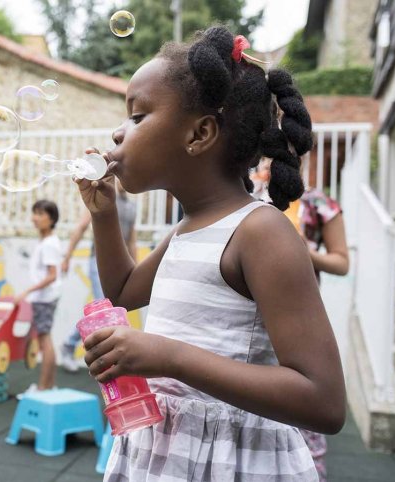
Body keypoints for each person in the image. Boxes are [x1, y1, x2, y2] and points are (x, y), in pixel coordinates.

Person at [74, 27, 345, 481]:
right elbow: (122, 291)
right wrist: (103, 217)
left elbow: (324, 400)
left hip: (233, 462)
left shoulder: (261, 232)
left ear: (199, 134)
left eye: (138, 117)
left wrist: (167, 356)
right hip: (167, 457)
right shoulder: (186, 229)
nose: (119, 132)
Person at [252, 159, 350, 481]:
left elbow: (341, 261)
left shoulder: (317, 201)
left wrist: (301, 252)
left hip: (297, 319)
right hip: (250, 322)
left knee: (305, 413)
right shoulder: (248, 194)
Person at [60, 180, 137, 372]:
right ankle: (70, 346)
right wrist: (67, 255)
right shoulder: (103, 199)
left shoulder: (131, 207)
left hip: (119, 266)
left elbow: (132, 241)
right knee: (101, 311)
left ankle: (72, 345)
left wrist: (135, 270)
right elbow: (81, 227)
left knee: (106, 312)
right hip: (99, 262)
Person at [15, 200, 62, 398]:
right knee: (45, 339)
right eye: (34, 213)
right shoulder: (46, 242)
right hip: (44, 297)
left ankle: (43, 388)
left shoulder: (49, 244)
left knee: (45, 340)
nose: (35, 218)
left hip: (44, 298)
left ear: (51, 220)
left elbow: (52, 275)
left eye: (41, 214)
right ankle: (48, 386)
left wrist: (28, 291)